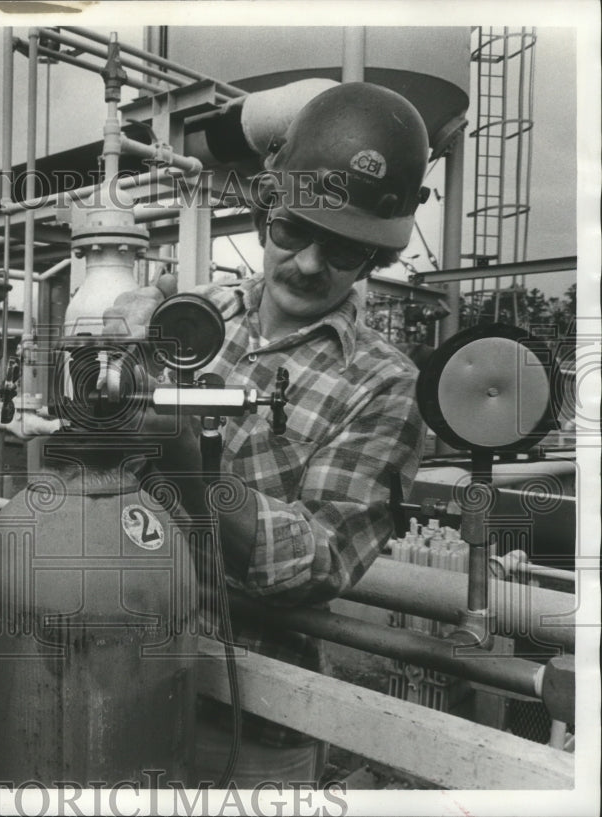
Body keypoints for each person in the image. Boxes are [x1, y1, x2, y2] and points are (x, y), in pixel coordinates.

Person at [106, 82, 431, 786]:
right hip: (120, 664)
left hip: (253, 715)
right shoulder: (196, 316)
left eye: (343, 250)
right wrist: (113, 339)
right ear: (264, 219)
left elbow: (320, 559)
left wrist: (200, 480)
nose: (310, 263)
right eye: (293, 231)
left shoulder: (386, 385)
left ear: (374, 260)